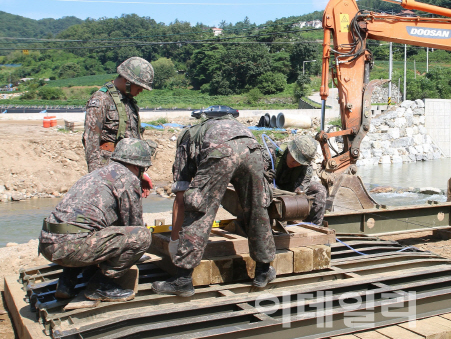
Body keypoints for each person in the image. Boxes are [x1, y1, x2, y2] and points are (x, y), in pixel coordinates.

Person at [151, 116, 275, 297]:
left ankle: (183, 280)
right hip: (253, 149)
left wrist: (175, 241)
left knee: (199, 210)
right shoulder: (213, 126)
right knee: (257, 210)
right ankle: (263, 271)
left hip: (222, 151)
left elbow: (180, 197)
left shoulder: (185, 141)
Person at [38, 138, 153, 302]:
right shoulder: (128, 179)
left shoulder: (97, 174)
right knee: (141, 236)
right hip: (70, 249)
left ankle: (66, 283)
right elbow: (132, 224)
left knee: (91, 230)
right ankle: (100, 286)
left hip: (47, 242)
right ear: (137, 166)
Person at [82, 56, 155, 197]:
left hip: (128, 172)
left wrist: (141, 174)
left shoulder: (128, 103)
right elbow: (91, 141)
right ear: (127, 81)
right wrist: (96, 179)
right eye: (139, 86)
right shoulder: (102, 100)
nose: (141, 91)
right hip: (108, 172)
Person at [264, 135, 327, 225]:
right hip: (270, 188)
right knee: (264, 187)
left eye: (299, 162)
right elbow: (251, 175)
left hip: (290, 191)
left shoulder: (306, 167)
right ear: (289, 150)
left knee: (319, 190)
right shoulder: (270, 151)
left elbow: (300, 191)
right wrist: (263, 175)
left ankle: (313, 227)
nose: (295, 163)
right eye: (294, 159)